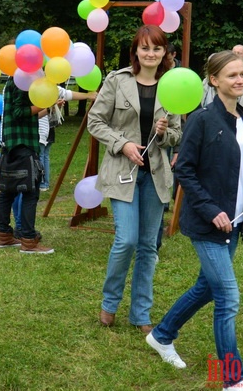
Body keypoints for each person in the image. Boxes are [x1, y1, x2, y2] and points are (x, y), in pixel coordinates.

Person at [145, 51, 243, 390]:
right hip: (209, 223)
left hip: (235, 221)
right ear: (214, 80)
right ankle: (233, 379)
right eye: (231, 75)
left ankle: (162, 335)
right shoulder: (202, 119)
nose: (240, 79)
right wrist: (211, 209)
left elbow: (242, 168)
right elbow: (185, 169)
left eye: (242, 74)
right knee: (227, 296)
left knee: (206, 287)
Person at [87, 25, 182, 333]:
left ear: (165, 53)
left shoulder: (173, 86)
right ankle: (109, 302)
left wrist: (164, 133)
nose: (150, 54)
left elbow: (178, 135)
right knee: (126, 239)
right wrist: (123, 144)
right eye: (145, 48)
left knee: (147, 247)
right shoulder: (117, 80)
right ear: (136, 51)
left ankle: (141, 313)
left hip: (155, 177)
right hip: (122, 173)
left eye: (156, 48)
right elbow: (95, 121)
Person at [0, 76, 53, 254]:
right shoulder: (24, 82)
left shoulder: (14, 79)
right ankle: (28, 240)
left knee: (8, 191)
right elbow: (21, 112)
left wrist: (47, 107)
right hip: (23, 144)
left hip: (12, 143)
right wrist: (44, 104)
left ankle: (4, 235)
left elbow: (19, 113)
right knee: (30, 191)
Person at [38, 87, 97, 192]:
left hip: (43, 128)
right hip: (45, 127)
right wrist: (88, 95)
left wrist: (88, 95)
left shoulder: (46, 85)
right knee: (44, 155)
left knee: (42, 155)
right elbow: (66, 94)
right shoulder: (45, 84)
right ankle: (44, 183)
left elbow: (67, 94)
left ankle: (42, 183)